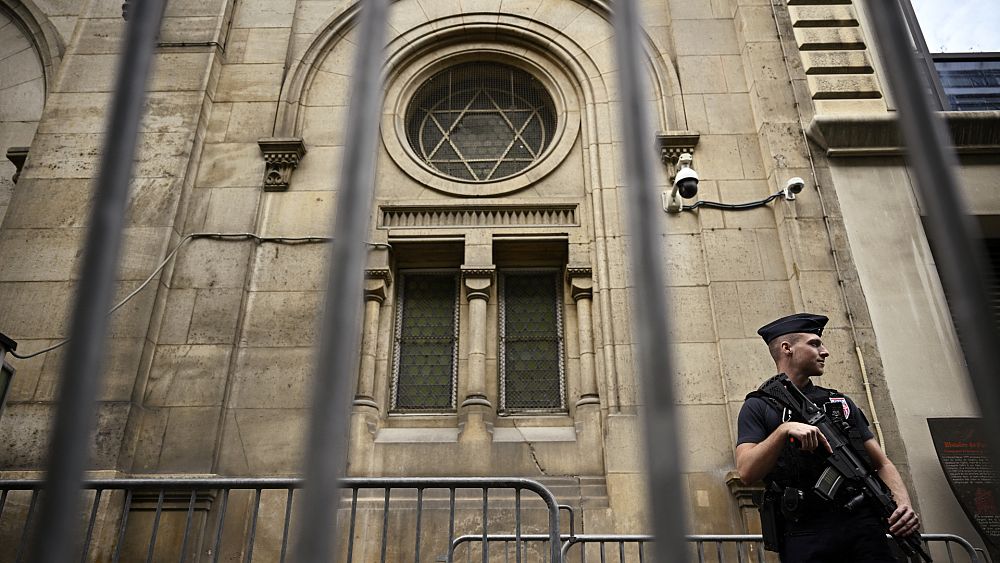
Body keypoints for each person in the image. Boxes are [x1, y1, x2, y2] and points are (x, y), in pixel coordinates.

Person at [735, 313, 920, 562]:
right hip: (805, 529)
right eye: (814, 343)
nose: (825, 351)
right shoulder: (759, 406)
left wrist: (902, 504)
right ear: (786, 348)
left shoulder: (839, 403)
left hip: (861, 525)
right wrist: (782, 431)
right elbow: (746, 471)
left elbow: (881, 463)